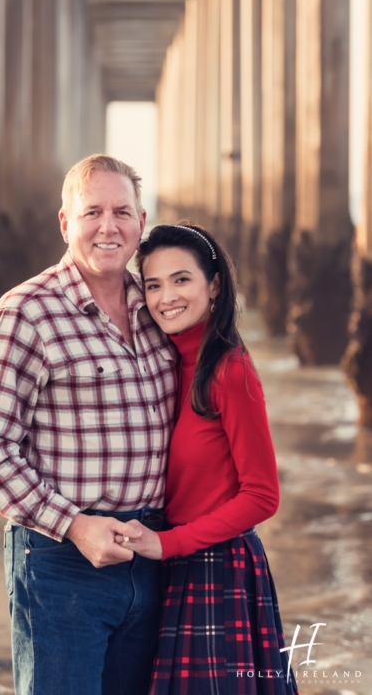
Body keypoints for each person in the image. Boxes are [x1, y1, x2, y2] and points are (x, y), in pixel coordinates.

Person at [0, 154, 178, 695]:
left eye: (122, 212)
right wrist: (76, 526)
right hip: (62, 561)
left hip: (153, 552)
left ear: (142, 221)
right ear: (65, 222)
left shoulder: (159, 312)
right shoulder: (24, 313)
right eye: (93, 212)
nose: (109, 227)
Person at [119, 224, 297, 694]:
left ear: (213, 285)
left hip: (218, 570)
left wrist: (168, 544)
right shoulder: (167, 364)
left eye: (182, 280)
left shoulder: (229, 369)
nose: (166, 297)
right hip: (172, 569)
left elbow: (262, 495)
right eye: (153, 284)